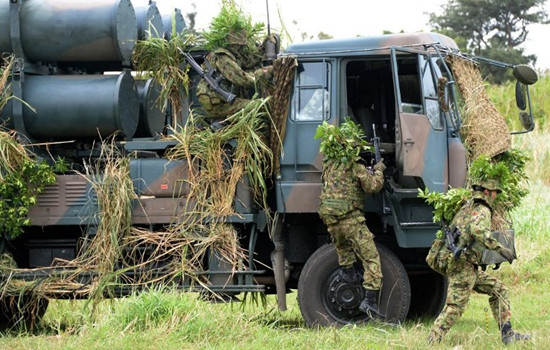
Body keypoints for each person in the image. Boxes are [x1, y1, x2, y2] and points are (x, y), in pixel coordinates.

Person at [427, 178, 530, 345]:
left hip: (466, 265)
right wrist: (501, 249)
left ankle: (507, 335)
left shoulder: (468, 205)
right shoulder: (481, 208)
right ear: (488, 192)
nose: (496, 196)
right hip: (462, 266)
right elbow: (478, 231)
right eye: (495, 192)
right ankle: (432, 341)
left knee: (499, 290)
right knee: (455, 307)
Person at [317, 120, 386, 320]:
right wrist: (379, 169)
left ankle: (348, 273)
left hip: (331, 221)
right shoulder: (355, 165)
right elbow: (373, 186)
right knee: (371, 259)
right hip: (351, 220)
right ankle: (370, 302)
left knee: (345, 253)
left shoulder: (329, 165)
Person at [197, 5, 273, 121]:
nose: (241, 49)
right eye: (240, 46)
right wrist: (264, 72)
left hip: (220, 99)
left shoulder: (229, 54)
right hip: (216, 103)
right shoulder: (223, 58)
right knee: (258, 107)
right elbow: (243, 80)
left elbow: (247, 62)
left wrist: (263, 48)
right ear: (234, 44)